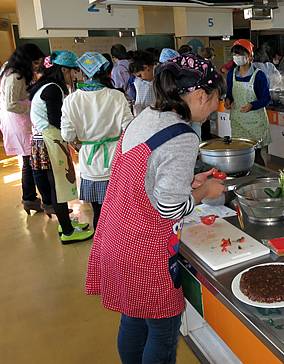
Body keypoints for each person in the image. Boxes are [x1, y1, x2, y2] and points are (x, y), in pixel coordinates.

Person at [86, 53, 226, 363]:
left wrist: (186, 181)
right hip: (145, 248)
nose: (217, 107)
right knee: (163, 331)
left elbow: (147, 177)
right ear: (201, 95)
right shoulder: (184, 136)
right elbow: (170, 208)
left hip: (115, 235)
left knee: (133, 319)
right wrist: (204, 190)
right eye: (216, 99)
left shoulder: (147, 115)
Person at [61, 52, 133, 231]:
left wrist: (84, 139)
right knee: (120, 212)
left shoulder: (71, 100)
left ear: (82, 73)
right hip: (116, 161)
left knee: (98, 213)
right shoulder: (116, 96)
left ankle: (101, 250)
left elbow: (67, 135)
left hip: (90, 163)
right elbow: (129, 128)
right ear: (106, 70)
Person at [28, 50, 94, 244]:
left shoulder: (45, 85)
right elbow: (55, 120)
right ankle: (67, 231)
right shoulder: (53, 88)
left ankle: (65, 223)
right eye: (73, 72)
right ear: (63, 69)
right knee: (58, 185)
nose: (74, 76)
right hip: (50, 141)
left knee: (57, 184)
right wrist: (73, 135)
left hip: (44, 140)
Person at [0, 43, 51, 215]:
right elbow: (11, 104)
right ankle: (37, 200)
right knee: (31, 162)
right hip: (19, 122)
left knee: (29, 161)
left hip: (22, 120)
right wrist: (33, 109)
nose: (36, 66)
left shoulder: (13, 70)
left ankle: (30, 198)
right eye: (35, 63)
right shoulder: (14, 76)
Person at [224, 39, 272, 166]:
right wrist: (228, 99)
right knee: (240, 153)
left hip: (255, 122)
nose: (237, 57)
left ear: (249, 56)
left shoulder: (259, 75)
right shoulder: (231, 74)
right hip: (238, 120)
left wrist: (252, 105)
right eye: (235, 54)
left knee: (255, 155)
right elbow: (230, 93)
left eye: (240, 54)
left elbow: (266, 98)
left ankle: (260, 179)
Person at [129, 50, 156, 116]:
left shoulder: (163, 76)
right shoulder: (138, 81)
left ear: (146, 67)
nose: (141, 79)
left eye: (140, 75)